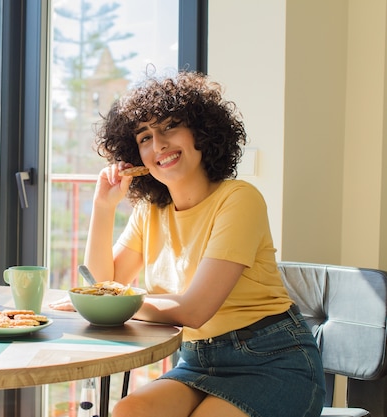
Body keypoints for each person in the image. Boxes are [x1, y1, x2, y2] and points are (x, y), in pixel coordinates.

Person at [51, 71, 325, 417]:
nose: (159, 144)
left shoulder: (239, 199)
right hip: (196, 360)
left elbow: (195, 309)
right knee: (129, 411)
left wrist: (112, 303)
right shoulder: (150, 210)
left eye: (169, 127)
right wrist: (103, 208)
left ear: (201, 132)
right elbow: (101, 286)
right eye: (145, 137)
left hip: (272, 360)